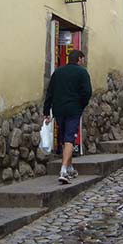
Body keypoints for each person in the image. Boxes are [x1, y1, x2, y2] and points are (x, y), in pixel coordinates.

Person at [43, 49, 92, 184]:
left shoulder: (57, 72)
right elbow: (87, 92)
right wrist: (81, 105)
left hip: (59, 110)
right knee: (70, 138)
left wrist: (47, 112)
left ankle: (70, 167)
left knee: (65, 139)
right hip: (73, 109)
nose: (83, 62)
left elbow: (50, 93)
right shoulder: (82, 73)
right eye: (83, 59)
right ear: (79, 59)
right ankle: (63, 170)